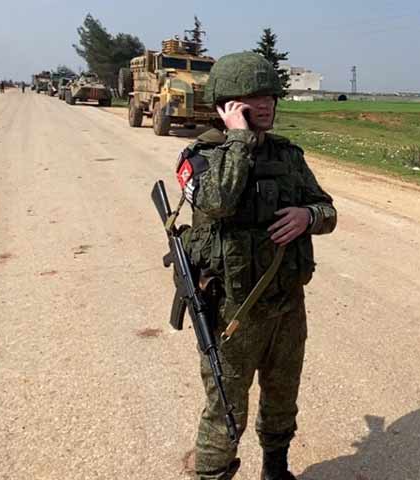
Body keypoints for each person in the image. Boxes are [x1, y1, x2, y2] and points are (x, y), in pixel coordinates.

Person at [177, 51, 337, 480]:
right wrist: (240, 139)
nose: (265, 104)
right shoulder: (200, 158)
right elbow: (217, 202)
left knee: (283, 396)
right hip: (232, 312)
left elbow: (328, 210)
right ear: (226, 104)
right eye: (252, 96)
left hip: (286, 305)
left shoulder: (288, 156)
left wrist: (308, 217)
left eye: (269, 95)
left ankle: (276, 469)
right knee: (225, 410)